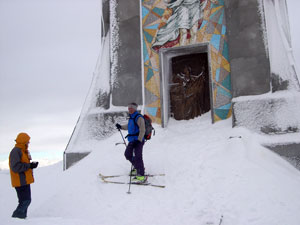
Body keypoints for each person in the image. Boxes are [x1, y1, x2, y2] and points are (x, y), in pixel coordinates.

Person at [9, 133, 39, 219]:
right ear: (23, 141)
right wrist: (29, 166)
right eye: (27, 141)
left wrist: (31, 165)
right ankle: (15, 219)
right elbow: (15, 167)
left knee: (25, 201)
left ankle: (21, 219)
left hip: (25, 180)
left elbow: (24, 164)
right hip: (20, 181)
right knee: (25, 201)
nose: (28, 143)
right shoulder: (16, 151)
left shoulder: (23, 151)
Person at [116, 103, 146, 182]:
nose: (130, 109)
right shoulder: (131, 117)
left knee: (138, 157)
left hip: (138, 141)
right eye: (129, 108)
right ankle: (137, 167)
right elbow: (128, 126)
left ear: (135, 109)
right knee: (127, 154)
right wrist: (121, 127)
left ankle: (141, 175)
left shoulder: (139, 117)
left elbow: (143, 130)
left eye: (131, 108)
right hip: (132, 140)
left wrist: (139, 140)